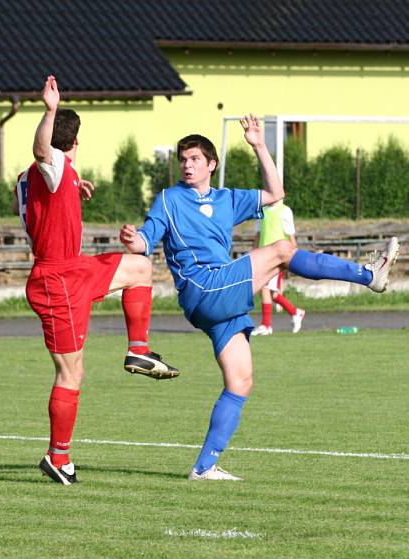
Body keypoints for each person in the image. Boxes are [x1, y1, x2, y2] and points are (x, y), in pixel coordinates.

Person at [120, 116, 400, 481]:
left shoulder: (227, 199)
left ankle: (204, 467)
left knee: (240, 382)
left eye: (194, 159)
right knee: (283, 249)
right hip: (203, 287)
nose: (187, 165)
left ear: (211, 164)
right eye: (183, 159)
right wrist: (133, 240)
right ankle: (368, 276)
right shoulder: (170, 199)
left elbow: (275, 193)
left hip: (221, 298)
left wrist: (258, 145)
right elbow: (146, 238)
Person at [13, 75, 180, 486]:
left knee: (140, 266)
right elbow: (41, 153)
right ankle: (58, 458)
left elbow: (40, 190)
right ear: (74, 141)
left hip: (74, 268)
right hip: (57, 279)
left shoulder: (56, 174)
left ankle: (139, 351)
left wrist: (72, 185)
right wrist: (50, 110)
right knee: (71, 375)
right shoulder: (49, 164)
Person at [251, 200, 305, 335]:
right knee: (274, 294)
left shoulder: (285, 211)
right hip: (263, 257)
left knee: (264, 288)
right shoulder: (261, 211)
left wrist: (295, 262)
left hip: (278, 258)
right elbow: (258, 235)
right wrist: (253, 252)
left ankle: (266, 326)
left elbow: (291, 238)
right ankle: (296, 312)